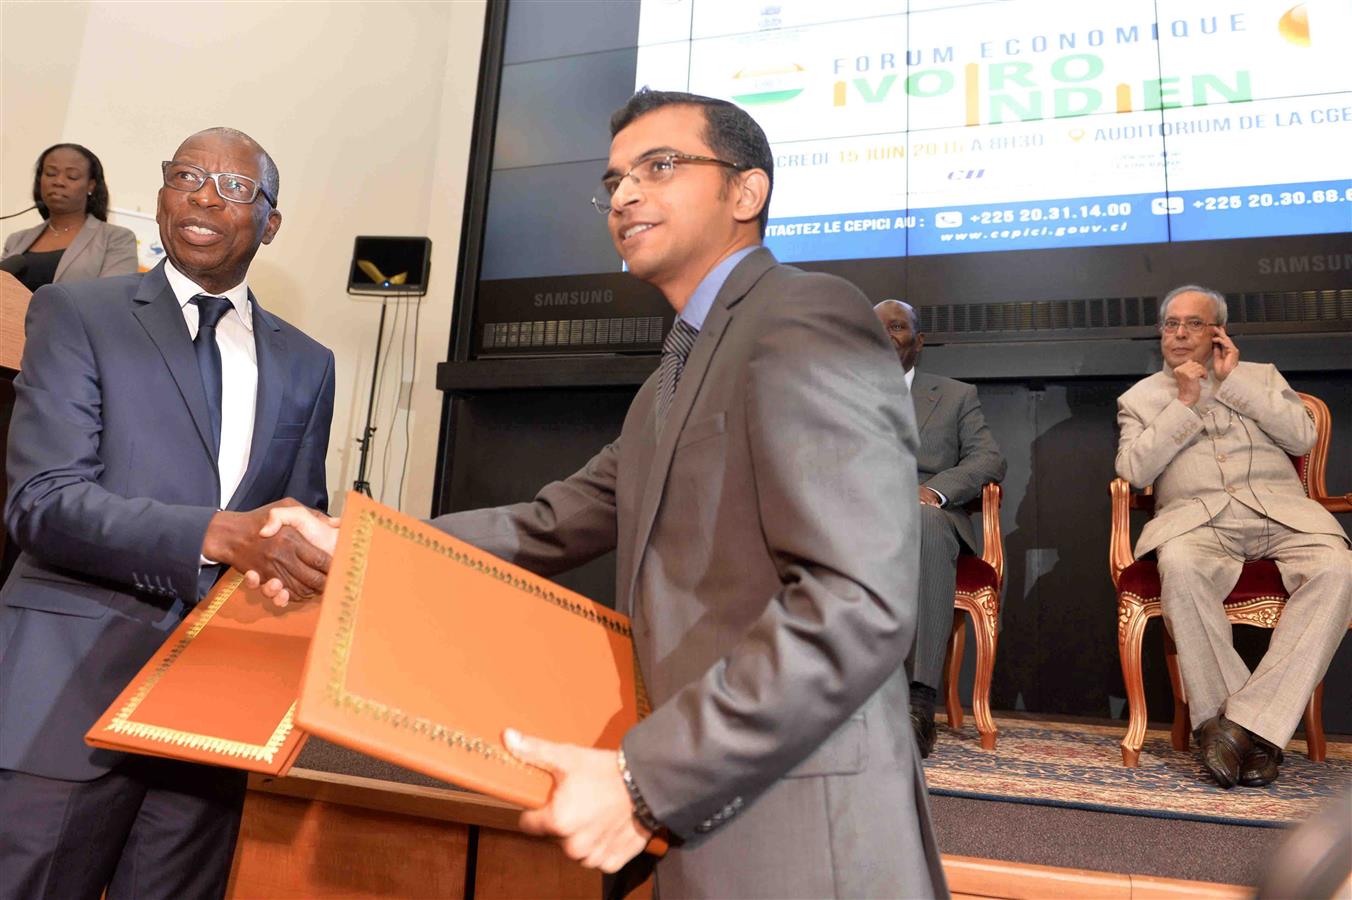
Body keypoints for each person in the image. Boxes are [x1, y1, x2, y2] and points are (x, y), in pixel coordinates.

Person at [263, 90, 947, 897]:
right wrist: (361, 542)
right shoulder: (666, 383)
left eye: (660, 167)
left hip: (799, 823)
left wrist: (640, 777)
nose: (623, 195)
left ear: (746, 191)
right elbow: (550, 524)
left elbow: (857, 601)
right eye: (615, 178)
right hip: (696, 808)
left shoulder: (806, 314)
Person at [0, 127, 336, 899]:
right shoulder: (77, 312)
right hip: (66, 697)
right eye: (186, 175)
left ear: (271, 223)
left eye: (233, 187)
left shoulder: (308, 362)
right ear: (159, 197)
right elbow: (41, 501)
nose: (202, 195)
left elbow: (296, 518)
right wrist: (218, 535)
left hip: (215, 716)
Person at [1115, 284, 1351, 789]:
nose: (1179, 334)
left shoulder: (1259, 377)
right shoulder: (1140, 398)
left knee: (1338, 566)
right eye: (1171, 324)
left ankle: (1236, 728)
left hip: (1282, 516)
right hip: (1198, 523)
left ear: (1218, 331)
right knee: (1178, 565)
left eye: (1193, 324)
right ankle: (1258, 736)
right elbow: (1134, 470)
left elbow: (1301, 437)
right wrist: (1184, 403)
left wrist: (1235, 381)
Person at [873, 298, 1006, 757]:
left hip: (927, 512)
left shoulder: (953, 395)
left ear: (919, 340)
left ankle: (918, 700)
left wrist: (934, 492)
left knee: (926, 523)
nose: (886, 334)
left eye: (897, 326)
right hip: (859, 515)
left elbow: (989, 458)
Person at [1, 143, 139, 291]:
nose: (58, 182)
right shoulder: (16, 240)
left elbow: (111, 298)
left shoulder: (116, 239)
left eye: (72, 176)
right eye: (50, 173)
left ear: (91, 185)